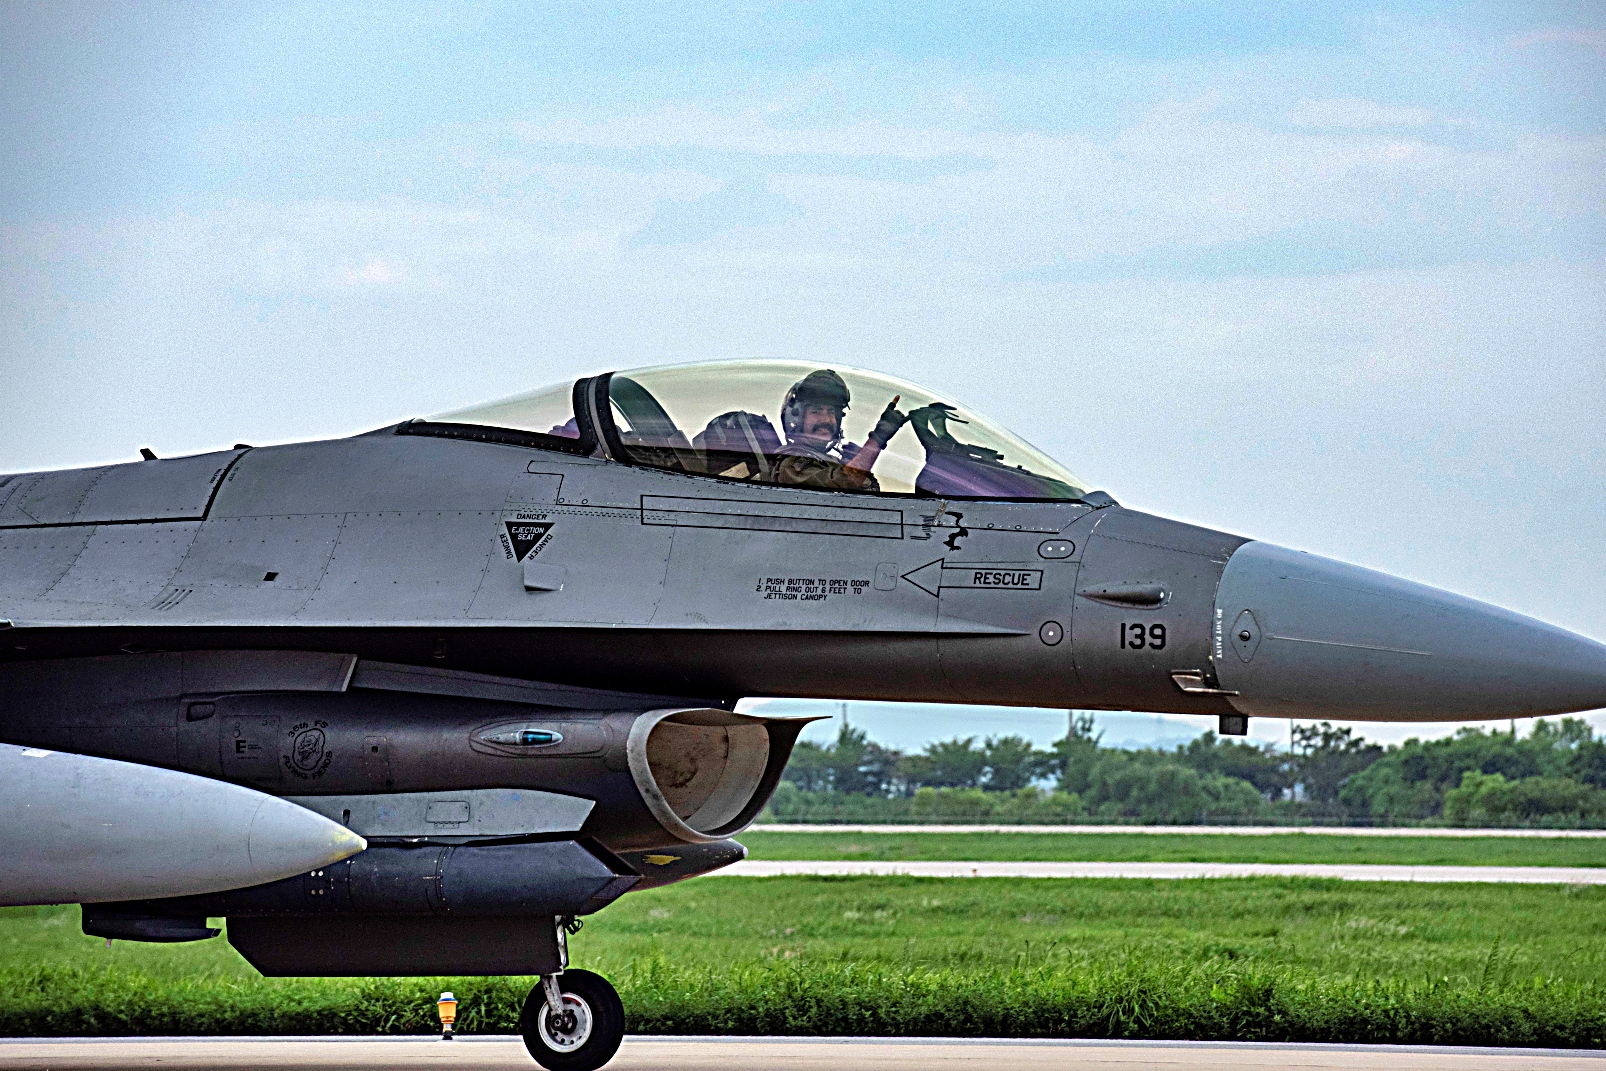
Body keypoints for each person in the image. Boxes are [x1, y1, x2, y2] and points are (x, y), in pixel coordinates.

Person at [772, 369, 907, 491]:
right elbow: (841, 485)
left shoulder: (830, 463)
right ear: (796, 417)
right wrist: (877, 439)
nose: (826, 420)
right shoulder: (790, 464)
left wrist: (856, 462)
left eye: (831, 412)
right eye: (816, 411)